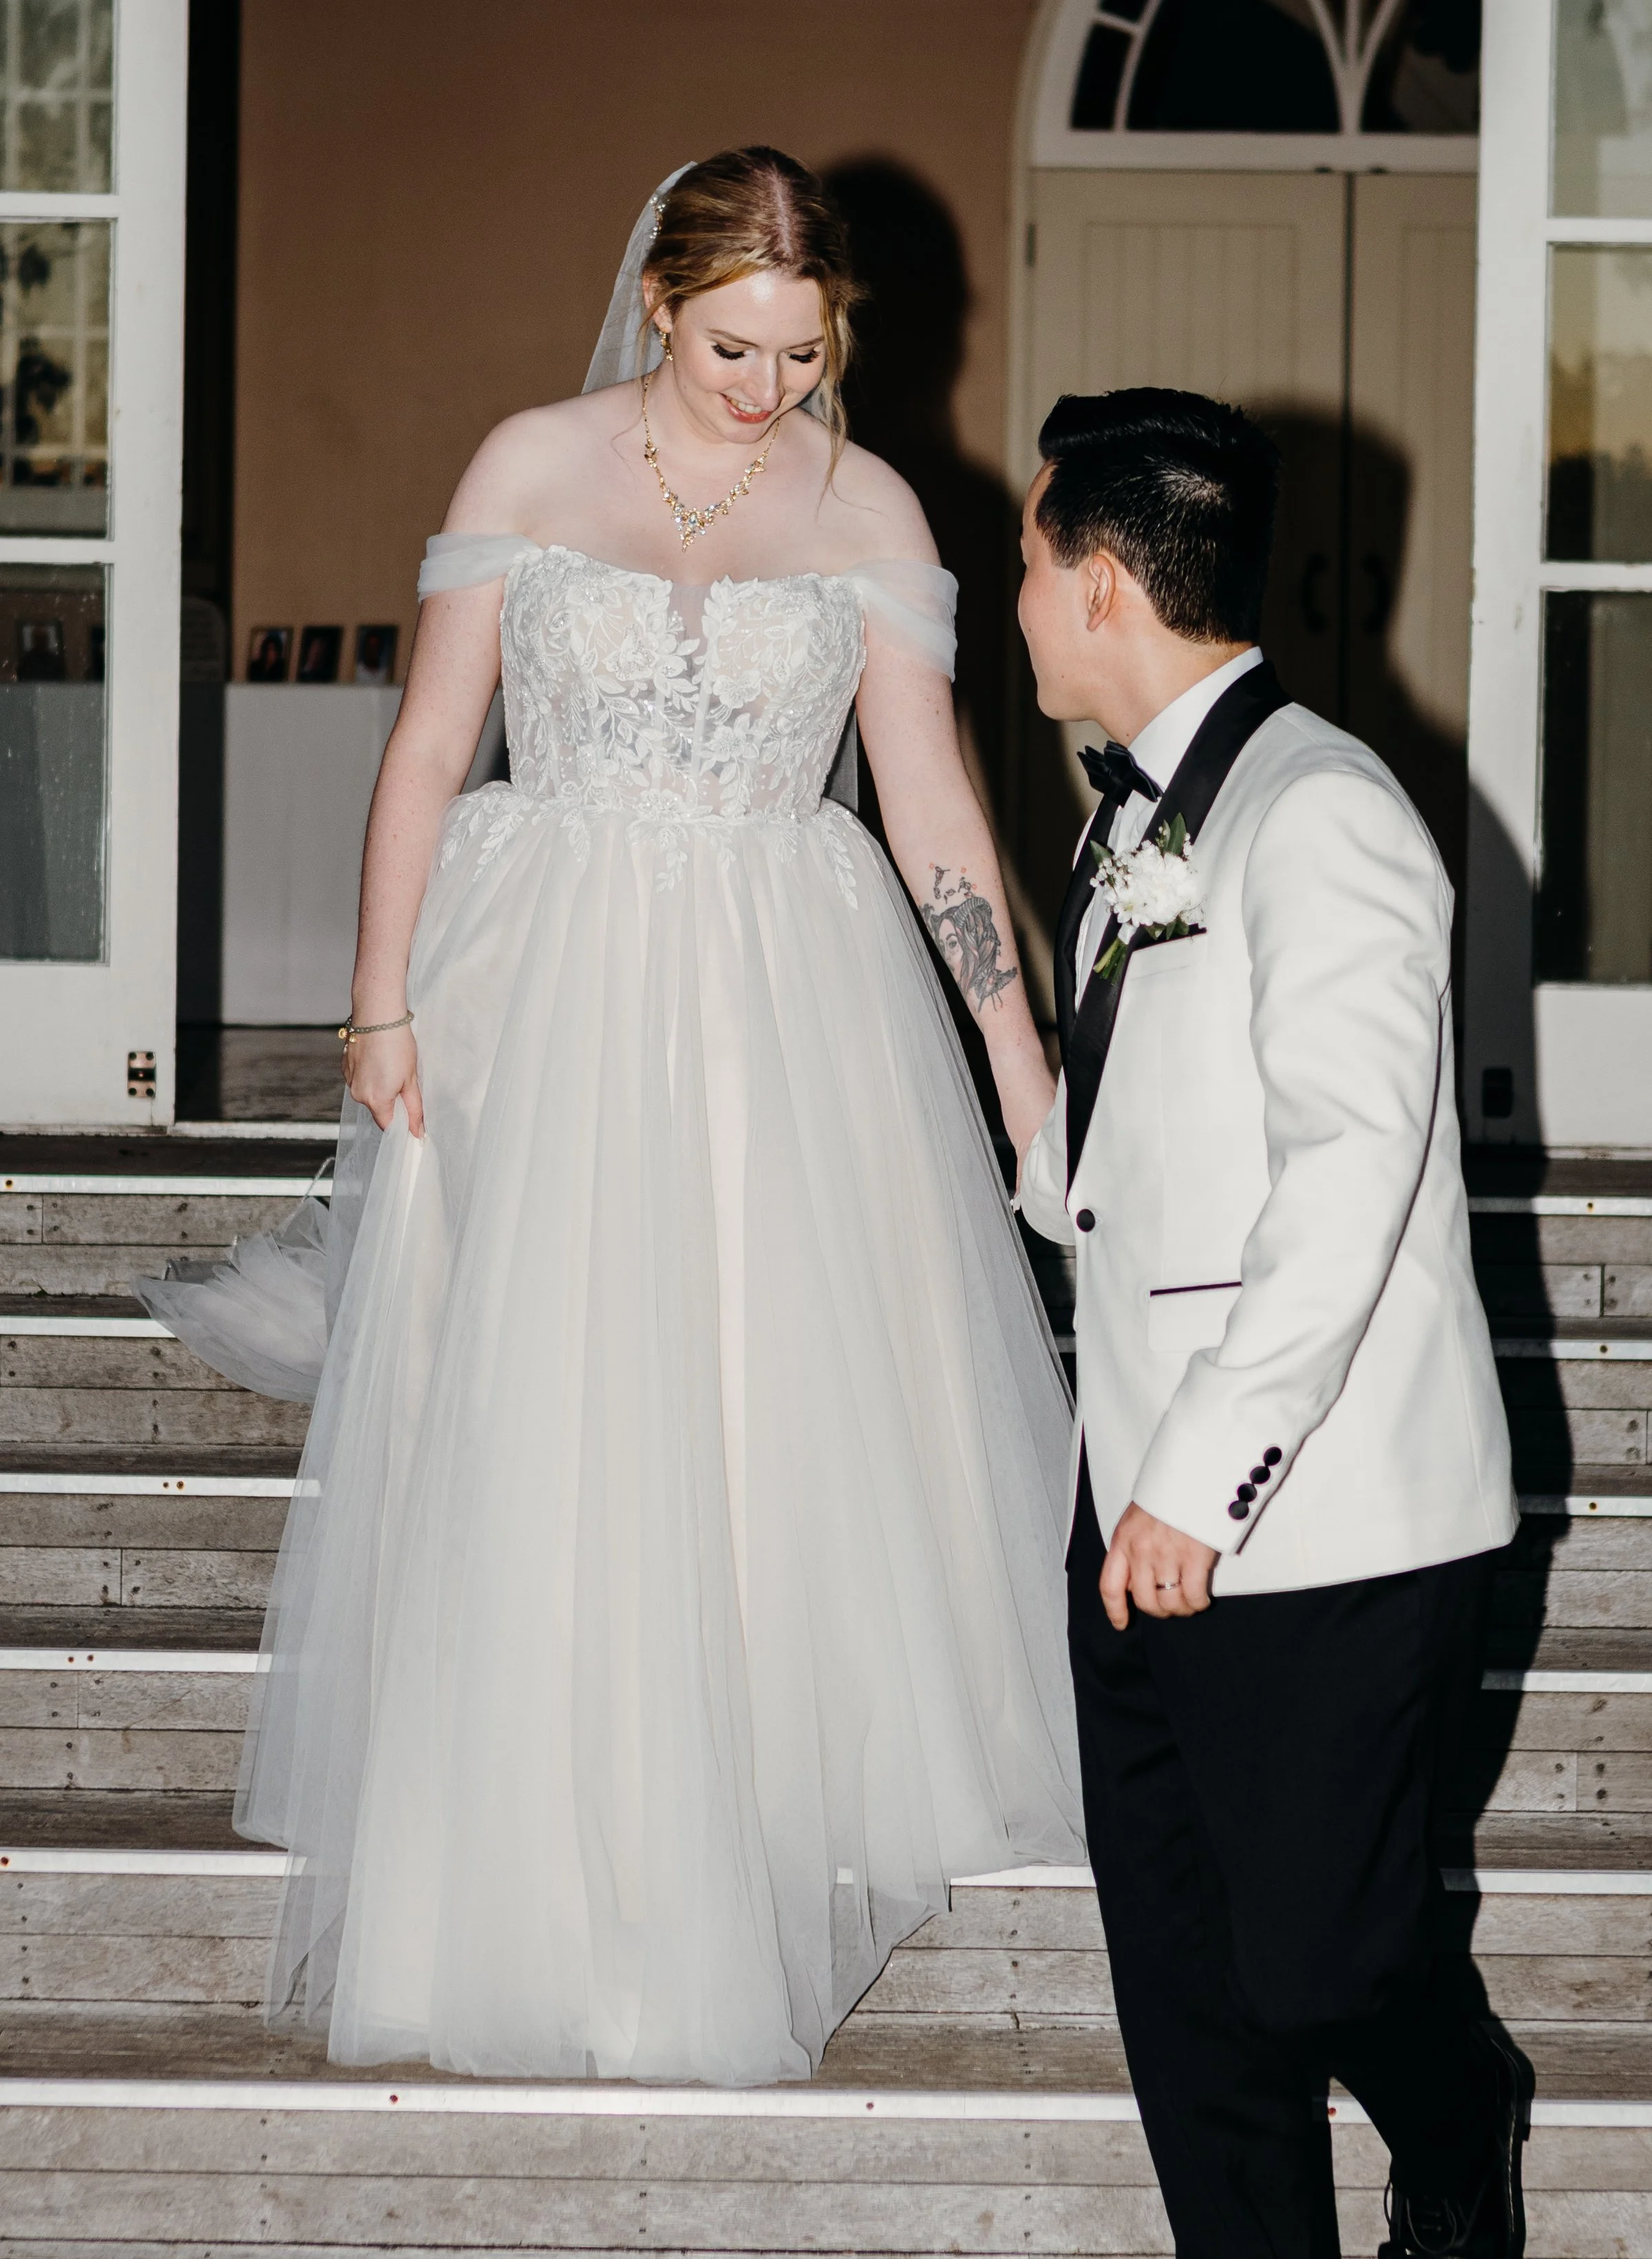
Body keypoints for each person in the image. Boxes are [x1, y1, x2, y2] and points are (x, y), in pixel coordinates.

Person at [144, 149, 1084, 2083]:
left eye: (803, 355)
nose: (765, 388)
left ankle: (726, 1836)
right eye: (734, 345)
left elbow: (928, 807)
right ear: (659, 302)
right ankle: (538, 1873)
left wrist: (1019, 1069)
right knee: (551, 1422)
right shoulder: (528, 464)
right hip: (541, 985)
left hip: (779, 998)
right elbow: (430, 738)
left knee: (750, 1413)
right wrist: (376, 997)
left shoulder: (871, 500)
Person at [1013, 388, 1528, 2259]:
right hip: (1128, 1508)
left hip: (1313, 1524)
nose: (1016, 596)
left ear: (1097, 583)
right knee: (1190, 2004)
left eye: (1026, 558)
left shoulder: (1328, 817)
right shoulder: (1137, 826)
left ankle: (1463, 2114)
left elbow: (1348, 1181)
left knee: (1318, 1971)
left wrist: (1200, 1487)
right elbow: (1136, 1154)